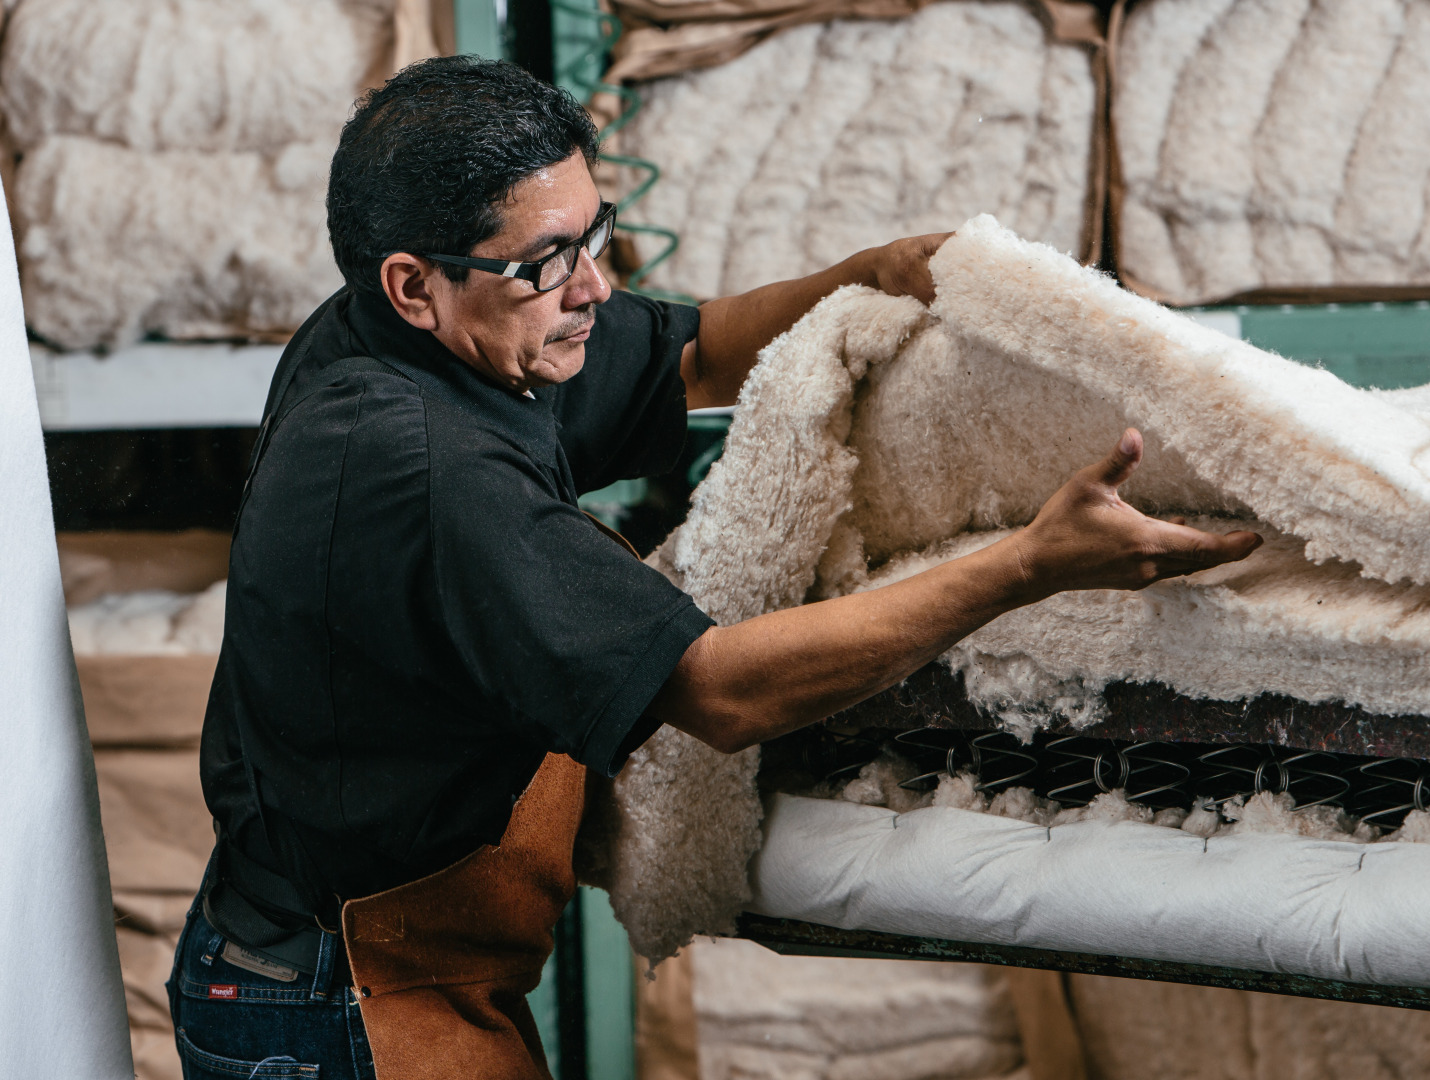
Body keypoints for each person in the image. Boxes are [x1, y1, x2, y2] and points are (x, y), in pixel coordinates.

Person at [169, 55, 1261, 1080]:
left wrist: (876, 276)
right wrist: (1031, 565)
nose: (593, 287)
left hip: (377, 964)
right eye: (548, 263)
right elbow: (721, 691)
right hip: (339, 1005)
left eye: (594, 236)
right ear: (414, 284)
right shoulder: (418, 466)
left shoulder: (431, 334)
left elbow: (688, 353)